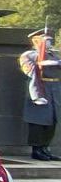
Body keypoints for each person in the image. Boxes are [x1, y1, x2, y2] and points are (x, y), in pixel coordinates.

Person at [20, 28, 61, 161]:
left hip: (54, 89)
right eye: (46, 40)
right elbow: (29, 70)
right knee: (38, 121)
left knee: (52, 121)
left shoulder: (54, 55)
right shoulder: (28, 55)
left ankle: (45, 148)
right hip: (39, 88)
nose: (49, 43)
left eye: (49, 40)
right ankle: (36, 149)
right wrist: (40, 63)